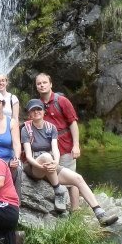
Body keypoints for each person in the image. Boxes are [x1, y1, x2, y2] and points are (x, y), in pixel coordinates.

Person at [21, 99, 116, 226]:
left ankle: (100, 213)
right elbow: (28, 155)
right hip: (34, 167)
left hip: (51, 166)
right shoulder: (25, 129)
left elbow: (55, 149)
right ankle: (58, 189)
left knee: (78, 178)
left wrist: (55, 162)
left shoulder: (51, 128)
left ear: (44, 112)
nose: (36, 112)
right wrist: (42, 166)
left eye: (39, 109)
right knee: (45, 156)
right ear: (29, 114)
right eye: (33, 110)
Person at [35, 72, 82, 210]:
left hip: (65, 146)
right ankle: (61, 209)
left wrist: (76, 145)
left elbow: (73, 123)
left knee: (71, 179)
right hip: (48, 148)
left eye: (44, 82)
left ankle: (75, 210)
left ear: (50, 84)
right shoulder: (37, 105)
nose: (42, 85)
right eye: (39, 83)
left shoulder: (62, 101)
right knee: (56, 178)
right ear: (36, 87)